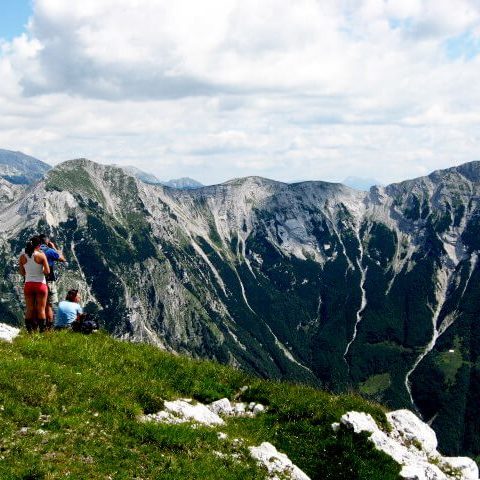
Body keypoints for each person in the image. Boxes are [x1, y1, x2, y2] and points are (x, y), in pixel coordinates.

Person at [18, 236, 50, 333]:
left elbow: (22, 273)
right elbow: (47, 271)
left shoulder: (22, 256)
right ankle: (42, 332)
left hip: (28, 284)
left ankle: (30, 333)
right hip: (40, 284)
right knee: (41, 309)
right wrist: (41, 270)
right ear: (39, 245)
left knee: (29, 309)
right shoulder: (41, 255)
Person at [39, 234, 66, 330]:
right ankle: (48, 329)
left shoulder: (35, 251)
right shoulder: (49, 251)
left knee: (39, 305)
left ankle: (37, 328)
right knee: (49, 305)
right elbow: (62, 259)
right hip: (49, 280)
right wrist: (54, 247)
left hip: (37, 281)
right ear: (47, 241)